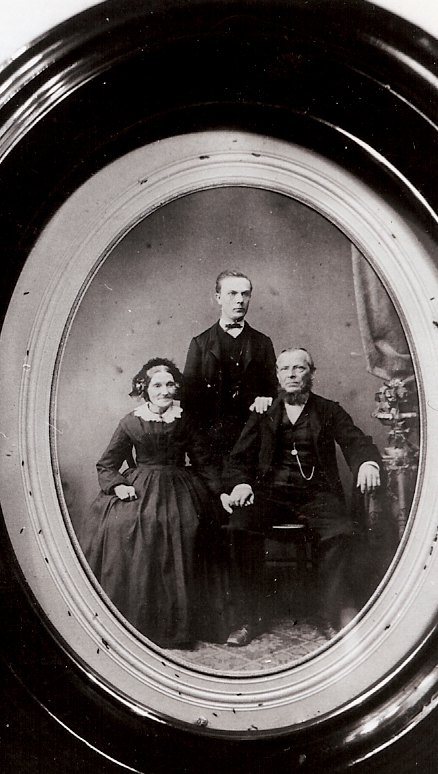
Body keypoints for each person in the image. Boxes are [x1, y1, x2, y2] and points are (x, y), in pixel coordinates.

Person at [221, 348, 382, 646]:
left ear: (311, 373)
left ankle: (337, 613)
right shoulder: (264, 413)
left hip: (316, 495)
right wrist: (241, 485)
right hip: (271, 495)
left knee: (341, 531)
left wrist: (367, 463)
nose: (292, 374)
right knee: (239, 527)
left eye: (299, 368)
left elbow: (356, 441)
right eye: (285, 369)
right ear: (277, 375)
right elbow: (238, 458)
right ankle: (249, 617)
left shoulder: (328, 410)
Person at [80, 358, 225, 649]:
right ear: (144, 389)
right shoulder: (131, 422)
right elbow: (107, 464)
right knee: (130, 525)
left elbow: (204, 462)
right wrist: (119, 485)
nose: (165, 391)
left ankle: (184, 621)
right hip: (140, 486)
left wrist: (220, 493)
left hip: (180, 485)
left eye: (170, 384)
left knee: (186, 524)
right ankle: (137, 619)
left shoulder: (185, 420)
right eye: (157, 385)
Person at [182, 270, 279, 470]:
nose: (240, 300)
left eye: (245, 294)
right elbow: (188, 400)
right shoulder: (200, 344)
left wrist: (265, 400)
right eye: (232, 293)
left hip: (253, 441)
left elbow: (273, 391)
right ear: (218, 298)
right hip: (211, 443)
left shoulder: (262, 343)